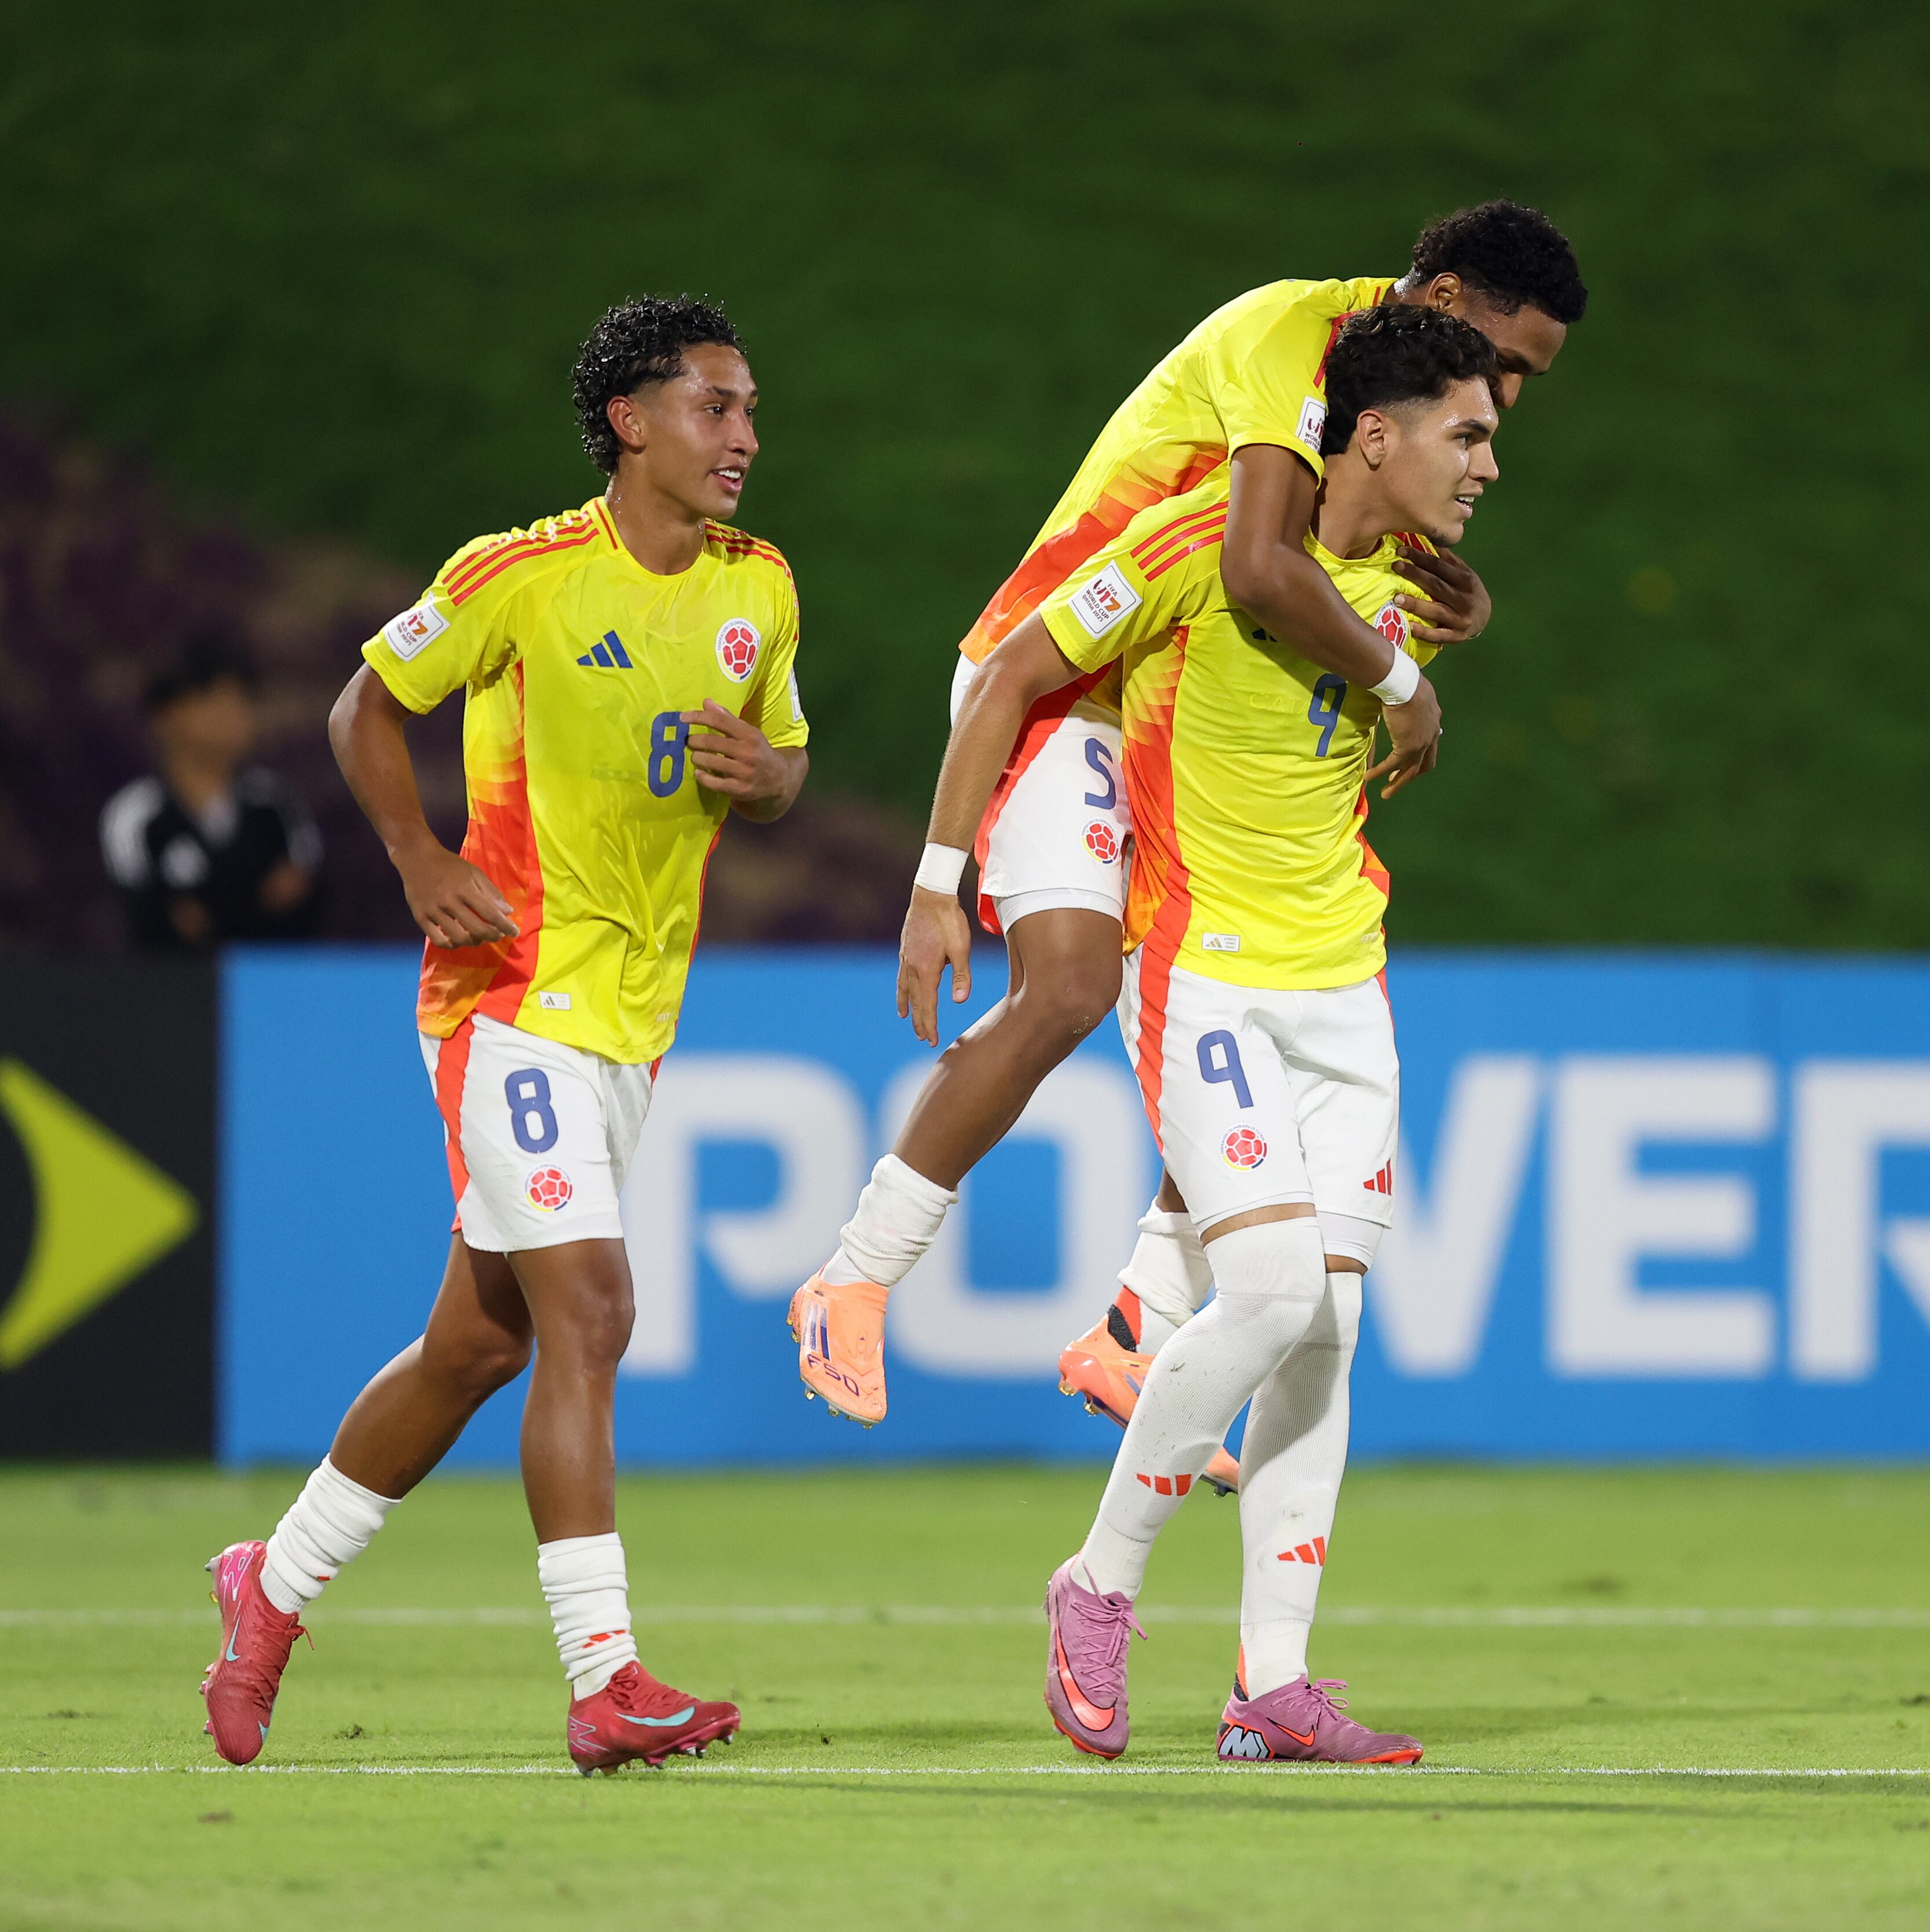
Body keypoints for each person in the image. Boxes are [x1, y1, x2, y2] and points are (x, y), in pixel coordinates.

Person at [786, 203, 1588, 1444]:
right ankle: (855, 1275)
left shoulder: (1403, 403)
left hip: (1181, 698)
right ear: (1445, 298)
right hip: (1062, 681)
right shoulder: (1291, 334)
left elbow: (1327, 574)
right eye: (1513, 361)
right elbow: (1257, 565)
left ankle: (1135, 1320)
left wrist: (1444, 615)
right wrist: (1401, 682)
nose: (1514, 402)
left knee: (1233, 964)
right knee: (1065, 988)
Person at [199, 297, 809, 1775]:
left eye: (746, 409)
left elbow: (783, 760)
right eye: (715, 407)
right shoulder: (519, 577)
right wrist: (416, 858)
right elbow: (365, 708)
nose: (744, 435)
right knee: (593, 1314)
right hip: (509, 996)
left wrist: (766, 773)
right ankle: (606, 1681)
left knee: (477, 1344)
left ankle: (268, 1589)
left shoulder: (760, 587)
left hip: (631, 1023)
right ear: (632, 423)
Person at [913, 307, 1498, 1763]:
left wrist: (1416, 671)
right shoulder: (1193, 549)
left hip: (1344, 990)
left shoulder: (1404, 601)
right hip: (1208, 976)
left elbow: (1354, 745)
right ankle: (1096, 1584)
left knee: (1331, 1326)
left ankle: (1272, 1683)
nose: (1492, 463)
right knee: (1274, 1288)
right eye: (1470, 432)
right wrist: (941, 881)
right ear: (1377, 432)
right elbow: (1010, 672)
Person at [102, 637, 324, 948]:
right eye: (212, 700)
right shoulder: (136, 817)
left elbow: (301, 900)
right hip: (168, 989)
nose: (233, 713)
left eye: (241, 700)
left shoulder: (275, 805)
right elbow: (149, 915)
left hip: (267, 987)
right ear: (166, 716)